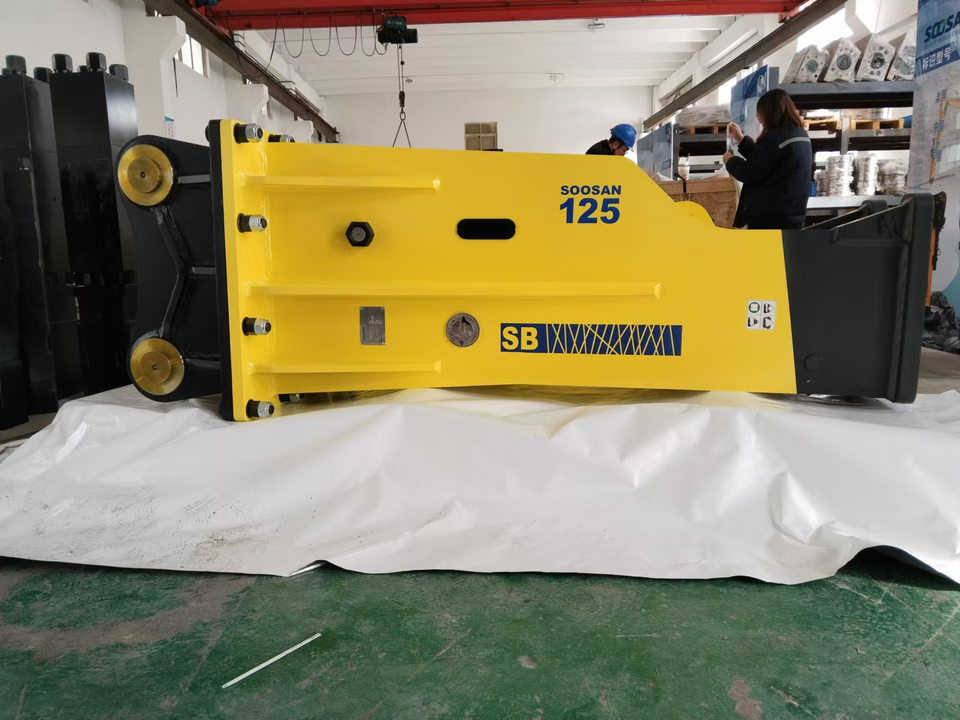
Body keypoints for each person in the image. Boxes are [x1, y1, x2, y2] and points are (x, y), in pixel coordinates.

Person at [722, 89, 811, 230]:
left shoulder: (776, 138)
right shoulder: (799, 134)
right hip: (791, 215)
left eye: (760, 115)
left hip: (771, 219)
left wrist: (730, 161)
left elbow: (751, 172)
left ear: (770, 112)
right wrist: (740, 139)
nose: (760, 120)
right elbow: (766, 160)